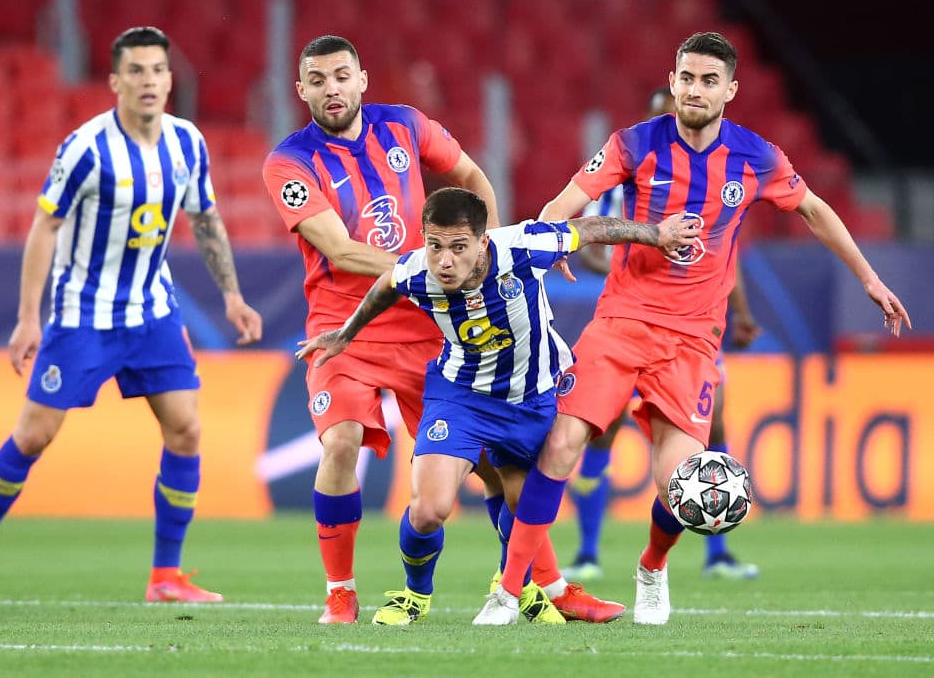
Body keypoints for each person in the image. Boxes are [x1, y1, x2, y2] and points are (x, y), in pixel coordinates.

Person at [475, 31, 910, 626]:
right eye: (686, 78)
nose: (695, 90)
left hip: (690, 340)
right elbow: (568, 199)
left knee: (681, 484)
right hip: (621, 322)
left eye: (709, 80)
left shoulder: (756, 156)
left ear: (730, 89)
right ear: (672, 82)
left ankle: (652, 567)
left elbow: (813, 210)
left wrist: (869, 278)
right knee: (560, 445)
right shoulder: (634, 143)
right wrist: (552, 238)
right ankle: (509, 590)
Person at [0, 27, 262, 604]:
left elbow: (205, 218)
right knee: (33, 436)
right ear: (115, 81)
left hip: (152, 313)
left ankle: (165, 576)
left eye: (157, 69)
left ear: (170, 79)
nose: (149, 80)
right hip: (84, 315)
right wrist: (28, 318)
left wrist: (232, 295)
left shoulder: (187, 142)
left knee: (186, 428)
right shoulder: (85, 148)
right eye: (136, 71)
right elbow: (45, 226)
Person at [296, 187, 698, 624]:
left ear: (482, 241)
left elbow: (592, 227)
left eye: (458, 247)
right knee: (428, 511)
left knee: (524, 505)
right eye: (435, 246)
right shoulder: (417, 269)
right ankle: (415, 594)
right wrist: (345, 334)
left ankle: (520, 586)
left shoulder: (524, 246)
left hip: (531, 400)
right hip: (461, 398)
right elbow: (386, 285)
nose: (444, 261)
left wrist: (656, 234)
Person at [261, 35, 501, 624]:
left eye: (341, 76)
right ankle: (340, 592)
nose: (332, 89)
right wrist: (434, 268)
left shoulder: (406, 125)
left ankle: (530, 580)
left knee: (491, 460)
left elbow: (471, 174)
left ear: (362, 79)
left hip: (425, 325)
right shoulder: (289, 163)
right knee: (341, 440)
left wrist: (487, 253)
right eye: (318, 80)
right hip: (344, 328)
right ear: (301, 90)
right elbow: (341, 250)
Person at [562, 87, 760, 583]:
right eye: (662, 113)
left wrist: (740, 311)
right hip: (631, 321)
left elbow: (725, 256)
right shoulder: (632, 173)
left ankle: (717, 551)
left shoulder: (720, 175)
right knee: (601, 433)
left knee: (711, 430)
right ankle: (588, 550)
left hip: (693, 327)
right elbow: (592, 242)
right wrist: (634, 248)